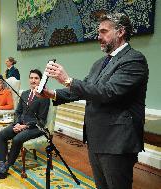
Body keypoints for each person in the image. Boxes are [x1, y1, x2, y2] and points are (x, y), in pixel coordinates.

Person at [36, 13, 149, 189]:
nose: (98, 37)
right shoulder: (99, 63)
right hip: (96, 139)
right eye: (99, 32)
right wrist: (52, 94)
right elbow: (84, 89)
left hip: (117, 143)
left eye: (104, 31)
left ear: (120, 32)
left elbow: (108, 92)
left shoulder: (134, 59)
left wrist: (68, 80)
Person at [0, 69, 50, 183]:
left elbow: (41, 120)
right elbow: (18, 112)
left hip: (35, 127)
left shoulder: (44, 96)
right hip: (20, 124)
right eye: (31, 78)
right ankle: (1, 166)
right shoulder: (24, 93)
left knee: (17, 139)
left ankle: (6, 168)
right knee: (1, 135)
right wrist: (18, 123)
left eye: (36, 78)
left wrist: (24, 126)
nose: (33, 80)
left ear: (41, 81)